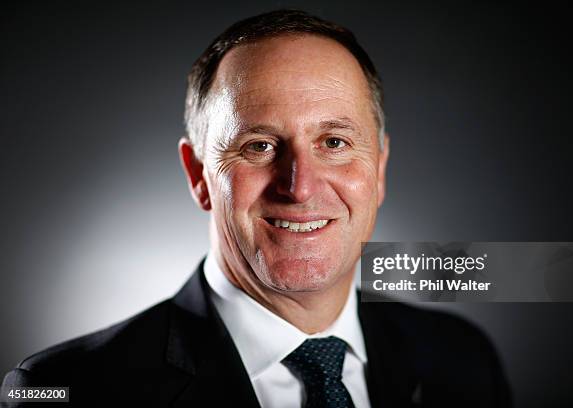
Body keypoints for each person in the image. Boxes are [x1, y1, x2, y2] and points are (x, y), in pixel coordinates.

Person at [1, 10, 511, 407]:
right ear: (198, 174)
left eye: (334, 142)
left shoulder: (461, 359)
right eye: (259, 146)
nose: (300, 186)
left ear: (378, 169)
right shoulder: (64, 389)